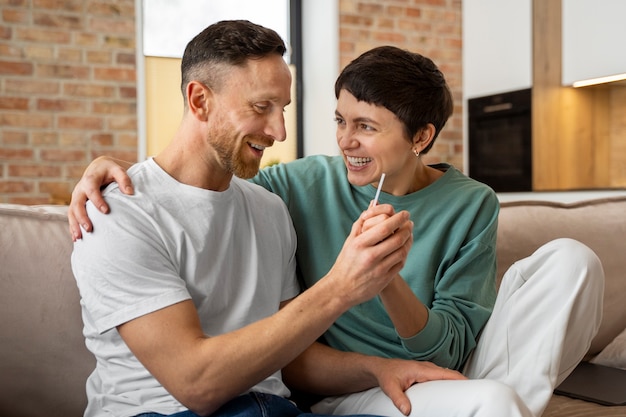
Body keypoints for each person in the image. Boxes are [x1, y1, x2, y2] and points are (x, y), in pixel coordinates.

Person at [69, 44, 605, 417]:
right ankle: (495, 406)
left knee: (573, 261)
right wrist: (107, 169)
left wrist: (386, 277)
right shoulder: (297, 186)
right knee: (492, 404)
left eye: (366, 127)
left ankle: (494, 403)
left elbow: (444, 354)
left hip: (442, 366)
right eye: (340, 121)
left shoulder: (471, 203)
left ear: (420, 136)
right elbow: (213, 177)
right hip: (352, 386)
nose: (346, 141)